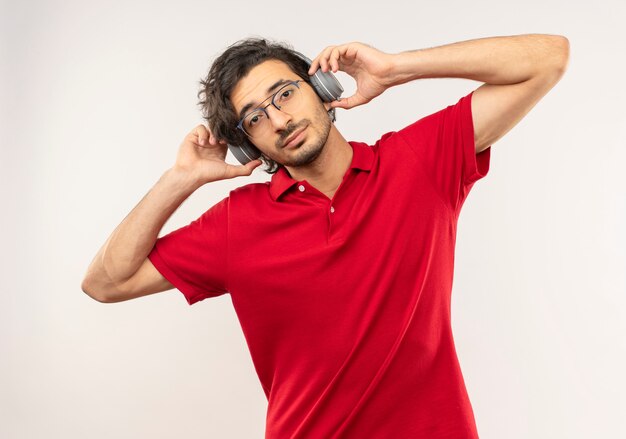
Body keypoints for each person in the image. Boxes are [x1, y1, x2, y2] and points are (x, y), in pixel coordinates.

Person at [82, 34, 569, 438]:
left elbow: (549, 58)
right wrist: (180, 179)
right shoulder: (237, 223)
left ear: (320, 86)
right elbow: (105, 282)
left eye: (285, 93)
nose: (278, 119)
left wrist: (396, 67)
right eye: (254, 117)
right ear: (247, 142)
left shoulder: (415, 164)